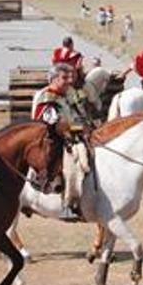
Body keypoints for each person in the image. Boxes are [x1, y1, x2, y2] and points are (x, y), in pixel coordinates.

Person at [32, 63, 86, 220]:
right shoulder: (46, 97)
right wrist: (81, 130)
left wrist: (88, 127)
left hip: (71, 135)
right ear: (54, 79)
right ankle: (67, 204)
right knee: (70, 163)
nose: (69, 81)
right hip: (51, 140)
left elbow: (78, 115)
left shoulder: (67, 94)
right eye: (64, 78)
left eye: (69, 77)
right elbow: (58, 126)